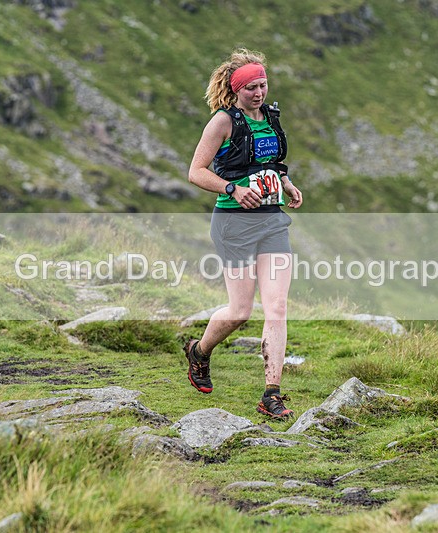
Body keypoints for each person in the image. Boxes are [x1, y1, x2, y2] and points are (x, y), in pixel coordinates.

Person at [185, 48, 303, 420]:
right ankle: (199, 352)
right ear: (236, 90)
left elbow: (268, 162)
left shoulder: (271, 117)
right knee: (239, 311)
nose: (259, 92)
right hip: (234, 224)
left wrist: (285, 183)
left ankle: (271, 393)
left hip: (271, 221)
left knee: (277, 307)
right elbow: (196, 172)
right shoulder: (222, 122)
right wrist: (232, 189)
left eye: (263, 84)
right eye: (251, 87)